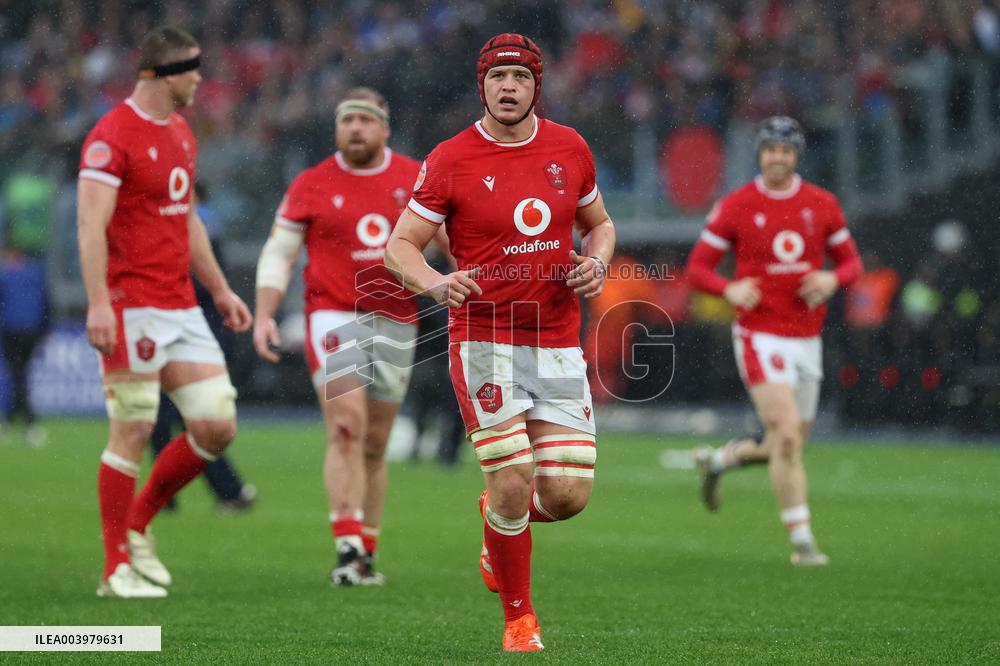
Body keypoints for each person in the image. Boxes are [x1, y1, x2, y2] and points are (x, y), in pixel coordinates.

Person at [385, 34, 616, 652]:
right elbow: (400, 245)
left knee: (566, 496)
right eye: (497, 76)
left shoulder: (570, 147)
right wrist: (436, 283)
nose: (508, 86)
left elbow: (601, 225)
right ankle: (520, 619)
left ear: (537, 84)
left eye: (519, 75)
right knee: (515, 476)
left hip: (559, 341)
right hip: (484, 341)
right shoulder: (451, 158)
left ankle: (497, 521)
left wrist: (598, 262)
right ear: (481, 85)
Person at [77, 26, 252, 598]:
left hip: (180, 304)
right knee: (130, 430)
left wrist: (221, 289)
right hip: (132, 307)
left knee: (216, 424)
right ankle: (113, 569)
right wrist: (100, 301)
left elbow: (189, 220)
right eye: (193, 69)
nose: (201, 78)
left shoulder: (180, 131)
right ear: (166, 74)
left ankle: (137, 525)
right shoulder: (111, 137)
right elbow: (90, 224)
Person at [253, 87, 421, 586]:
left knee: (375, 441)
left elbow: (451, 243)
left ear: (384, 129)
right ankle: (346, 547)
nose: (354, 129)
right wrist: (264, 313)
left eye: (365, 121)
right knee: (347, 424)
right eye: (346, 120)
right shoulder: (311, 183)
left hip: (397, 318)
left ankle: (365, 551)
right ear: (336, 129)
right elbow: (278, 253)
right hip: (334, 315)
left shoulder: (415, 178)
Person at [685, 116, 862, 566]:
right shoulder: (736, 205)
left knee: (785, 446)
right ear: (760, 154)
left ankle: (720, 461)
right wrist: (728, 289)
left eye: (786, 150)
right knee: (784, 436)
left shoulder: (821, 204)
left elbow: (851, 264)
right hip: (759, 334)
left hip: (807, 337)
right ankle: (802, 544)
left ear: (796, 155)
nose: (778, 158)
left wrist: (831, 277)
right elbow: (698, 268)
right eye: (770, 150)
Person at [151, 181, 256, 514]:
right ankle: (226, 491)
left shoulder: (197, 222)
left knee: (167, 418)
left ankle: (171, 494)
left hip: (187, 335)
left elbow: (189, 280)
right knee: (190, 420)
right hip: (200, 333)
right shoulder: (204, 221)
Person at [0, 244, 50, 446]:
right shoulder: (36, 273)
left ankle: (25, 421)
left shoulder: (5, 275)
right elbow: (46, 301)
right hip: (31, 330)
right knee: (21, 375)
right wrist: (45, 328)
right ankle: (18, 420)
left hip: (11, 330)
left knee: (17, 375)